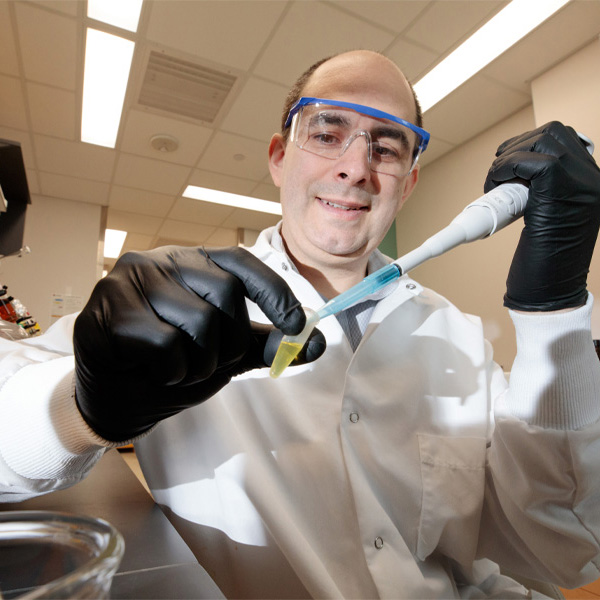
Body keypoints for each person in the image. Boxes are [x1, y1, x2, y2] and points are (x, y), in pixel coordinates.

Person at [1, 49, 600, 599]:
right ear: (280, 157)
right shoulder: (177, 306)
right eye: (327, 132)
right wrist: (83, 407)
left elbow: (564, 550)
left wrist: (554, 311)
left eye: (387, 147)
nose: (356, 168)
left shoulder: (459, 339)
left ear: (408, 183)